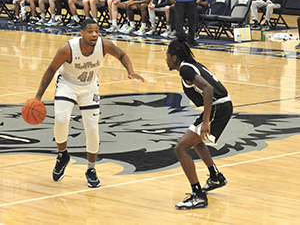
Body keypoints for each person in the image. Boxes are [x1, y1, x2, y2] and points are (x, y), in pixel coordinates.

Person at [30, 19, 145, 188]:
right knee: (61, 120)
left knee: (92, 129)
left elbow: (122, 55)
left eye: (97, 31)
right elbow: (50, 70)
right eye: (90, 31)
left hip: (89, 88)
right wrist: (37, 97)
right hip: (67, 85)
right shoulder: (67, 49)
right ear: (81, 33)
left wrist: (131, 71)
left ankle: (91, 169)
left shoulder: (104, 45)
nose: (95, 35)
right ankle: (62, 155)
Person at [166, 33, 232, 209]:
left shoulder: (185, 69)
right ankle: (215, 176)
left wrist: (206, 121)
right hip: (223, 105)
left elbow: (208, 89)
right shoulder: (192, 65)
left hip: (218, 107)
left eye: (167, 56)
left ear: (174, 57)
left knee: (180, 148)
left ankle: (198, 195)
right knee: (196, 141)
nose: (165, 60)